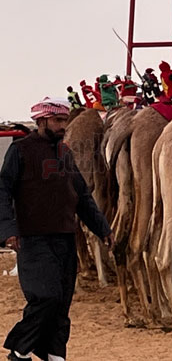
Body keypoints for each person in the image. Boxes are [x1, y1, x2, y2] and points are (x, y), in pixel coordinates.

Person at [0, 98, 113, 361]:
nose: (63, 126)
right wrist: (8, 229)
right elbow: (2, 190)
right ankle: (19, 350)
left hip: (64, 236)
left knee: (62, 302)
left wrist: (102, 228)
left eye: (64, 121)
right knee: (45, 297)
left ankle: (55, 354)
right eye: (58, 121)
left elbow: (82, 195)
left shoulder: (65, 152)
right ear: (42, 121)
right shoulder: (20, 150)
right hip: (33, 237)